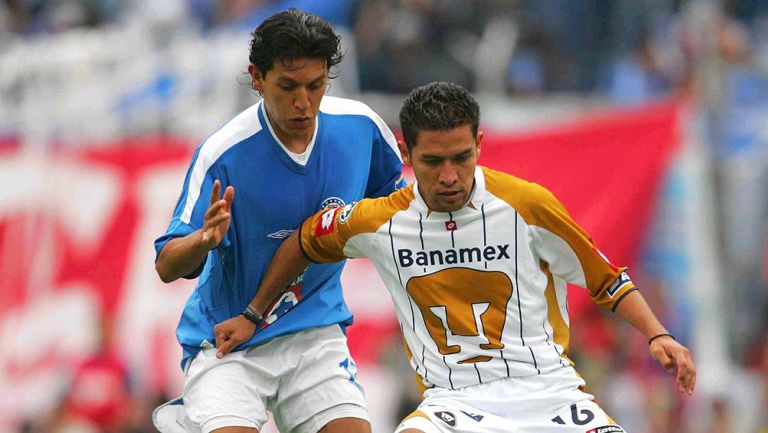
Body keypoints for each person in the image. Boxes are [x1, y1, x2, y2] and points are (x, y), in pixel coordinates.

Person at [214, 82, 697, 433]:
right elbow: (302, 239)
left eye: (462, 158)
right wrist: (254, 314)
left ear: (480, 146)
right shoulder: (377, 220)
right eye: (433, 162)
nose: (449, 176)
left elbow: (606, 280)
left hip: (550, 394)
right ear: (407, 153)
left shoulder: (527, 204)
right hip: (455, 406)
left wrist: (658, 334)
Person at [152, 8, 405, 433]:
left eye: (316, 85)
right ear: (257, 77)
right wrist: (203, 240)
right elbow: (165, 265)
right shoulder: (223, 154)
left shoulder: (361, 129)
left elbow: (394, 209)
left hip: (315, 333)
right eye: (288, 87)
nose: (304, 103)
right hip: (228, 344)